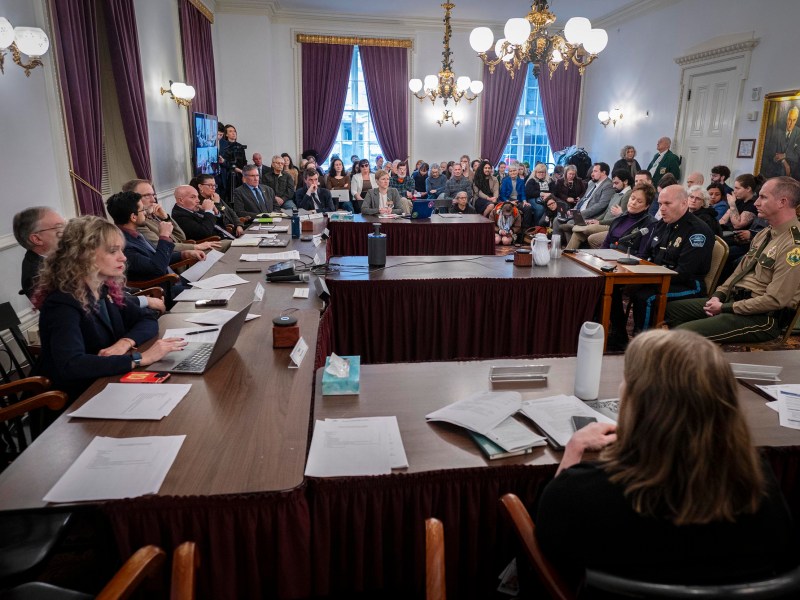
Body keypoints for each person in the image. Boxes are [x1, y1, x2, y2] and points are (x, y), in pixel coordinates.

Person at [536, 329, 797, 587]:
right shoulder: (758, 485)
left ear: (639, 403)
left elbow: (549, 547)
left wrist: (573, 451)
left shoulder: (583, 493)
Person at [32, 216, 187, 400]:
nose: (123, 257)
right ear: (83, 255)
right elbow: (71, 365)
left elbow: (146, 318)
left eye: (121, 250)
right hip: (76, 399)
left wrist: (126, 342)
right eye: (113, 251)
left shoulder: (103, 288)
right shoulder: (61, 302)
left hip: (108, 383)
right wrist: (139, 359)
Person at [666, 176, 800, 343]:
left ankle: (687, 348)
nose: (756, 202)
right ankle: (696, 353)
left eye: (763, 197)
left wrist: (725, 308)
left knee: (681, 334)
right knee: (671, 309)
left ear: (782, 202)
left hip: (762, 318)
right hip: (735, 302)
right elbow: (738, 273)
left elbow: (775, 300)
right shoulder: (764, 234)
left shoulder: (794, 246)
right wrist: (718, 295)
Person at [612, 185, 713, 340]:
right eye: (660, 204)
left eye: (668, 204)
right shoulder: (662, 224)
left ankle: (644, 342)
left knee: (646, 296)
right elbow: (648, 254)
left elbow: (684, 272)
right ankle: (617, 335)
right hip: (659, 276)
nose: (662, 208)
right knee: (615, 287)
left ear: (684, 204)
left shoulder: (697, 231)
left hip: (689, 285)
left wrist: (649, 279)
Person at [106, 191, 204, 285]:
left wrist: (184, 254)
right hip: (161, 291)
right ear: (133, 217)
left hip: (171, 282)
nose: (145, 213)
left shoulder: (135, 234)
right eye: (142, 210)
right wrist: (164, 236)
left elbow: (156, 257)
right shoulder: (124, 245)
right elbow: (156, 268)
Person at [122, 179, 217, 253]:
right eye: (147, 196)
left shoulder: (153, 215)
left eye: (153, 195)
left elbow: (181, 237)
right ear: (133, 199)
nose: (153, 200)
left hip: (188, 253)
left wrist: (165, 218)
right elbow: (162, 246)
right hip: (182, 261)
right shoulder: (138, 223)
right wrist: (196, 247)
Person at [566, 168, 632, 250]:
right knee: (578, 234)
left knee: (588, 228)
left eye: (616, 183)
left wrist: (599, 222)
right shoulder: (617, 193)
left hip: (612, 226)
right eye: (613, 183)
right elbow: (606, 213)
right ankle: (568, 253)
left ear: (625, 181)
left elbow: (620, 219)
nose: (613, 186)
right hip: (604, 223)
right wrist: (595, 220)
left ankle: (574, 227)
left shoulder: (628, 195)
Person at [13, 207, 66, 298]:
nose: (67, 231)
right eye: (59, 227)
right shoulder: (36, 277)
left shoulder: (58, 253)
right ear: (37, 239)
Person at [556, 163, 615, 243]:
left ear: (603, 173)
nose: (592, 174)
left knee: (570, 222)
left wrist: (580, 213)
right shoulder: (591, 183)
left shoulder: (608, 185)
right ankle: (556, 245)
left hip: (590, 216)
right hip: (579, 212)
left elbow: (601, 205)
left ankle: (570, 250)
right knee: (557, 219)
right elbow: (583, 198)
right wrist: (574, 209)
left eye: (595, 171)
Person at [595, 182, 656, 253]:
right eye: (632, 198)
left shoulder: (649, 224)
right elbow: (606, 243)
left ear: (646, 206)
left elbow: (642, 255)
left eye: (639, 201)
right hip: (608, 257)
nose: (633, 203)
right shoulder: (620, 218)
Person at [761, 105, 800, 178]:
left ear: (796, 120)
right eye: (789, 119)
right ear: (786, 119)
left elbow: (797, 156)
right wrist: (784, 162)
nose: (791, 123)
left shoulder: (799, 133)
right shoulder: (777, 131)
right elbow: (772, 152)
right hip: (776, 170)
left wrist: (784, 155)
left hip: (793, 173)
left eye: (794, 120)